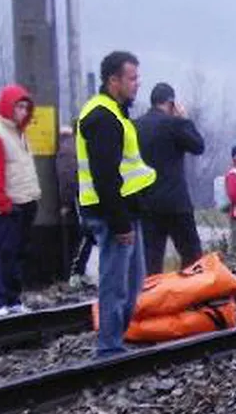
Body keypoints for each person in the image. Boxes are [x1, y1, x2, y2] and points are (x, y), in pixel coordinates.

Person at [77, 51, 157, 357]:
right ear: (114, 80)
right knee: (116, 284)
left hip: (125, 213)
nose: (137, 84)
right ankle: (109, 348)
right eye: (132, 78)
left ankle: (114, 341)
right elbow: (105, 176)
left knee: (133, 283)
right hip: (112, 215)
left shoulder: (114, 112)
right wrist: (121, 222)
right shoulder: (103, 117)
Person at [135, 82, 206, 275]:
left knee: (151, 259)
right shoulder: (174, 124)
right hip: (176, 202)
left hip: (146, 202)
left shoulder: (136, 125)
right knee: (191, 255)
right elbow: (198, 146)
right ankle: (190, 297)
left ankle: (152, 299)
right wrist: (185, 119)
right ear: (171, 103)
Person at [0, 84, 41, 317]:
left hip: (24, 200)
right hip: (9, 204)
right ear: (8, 106)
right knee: (2, 253)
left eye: (26, 107)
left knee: (17, 253)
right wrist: (3, 204)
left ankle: (12, 298)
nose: (23, 111)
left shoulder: (18, 133)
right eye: (19, 106)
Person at [59, 124, 95, 288]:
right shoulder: (71, 147)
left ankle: (78, 272)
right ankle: (75, 273)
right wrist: (66, 202)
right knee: (84, 235)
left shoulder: (71, 145)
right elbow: (68, 176)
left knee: (86, 235)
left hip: (81, 196)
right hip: (79, 197)